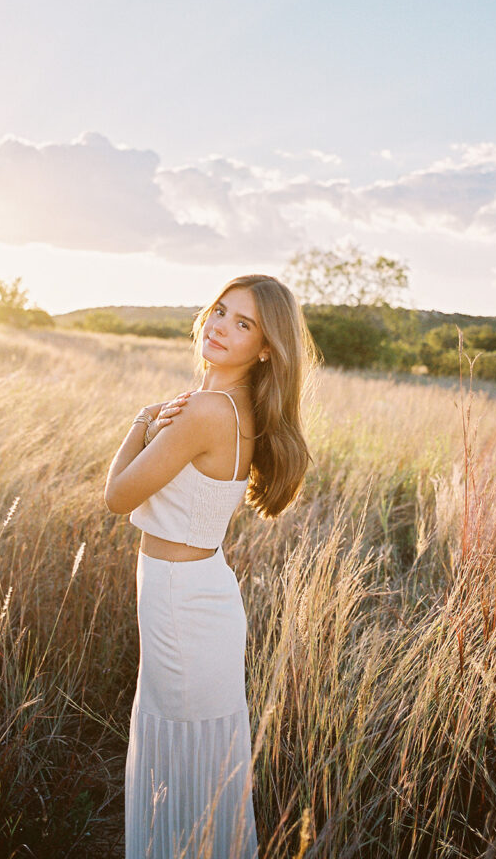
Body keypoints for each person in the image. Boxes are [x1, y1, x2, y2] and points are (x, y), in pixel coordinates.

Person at [104, 274, 314, 859]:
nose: (221, 327)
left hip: (180, 602)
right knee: (197, 757)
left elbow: (117, 496)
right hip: (199, 596)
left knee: (181, 755)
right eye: (221, 311)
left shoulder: (205, 410)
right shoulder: (238, 407)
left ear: (266, 347)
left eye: (244, 323)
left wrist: (140, 422)